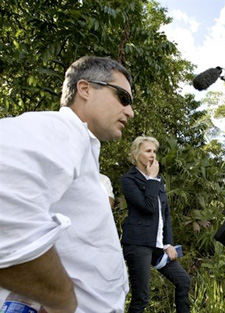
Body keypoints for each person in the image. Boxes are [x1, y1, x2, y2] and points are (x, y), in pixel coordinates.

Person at [0, 56, 134, 312]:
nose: (130, 111)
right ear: (85, 89)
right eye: (123, 98)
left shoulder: (82, 150)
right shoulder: (66, 128)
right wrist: (62, 300)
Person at [121, 136, 190, 313]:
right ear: (137, 154)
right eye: (148, 151)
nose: (153, 155)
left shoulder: (158, 181)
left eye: (154, 151)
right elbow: (149, 208)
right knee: (141, 298)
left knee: (183, 280)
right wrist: (151, 179)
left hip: (158, 245)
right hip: (138, 244)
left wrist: (168, 243)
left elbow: (165, 215)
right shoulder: (129, 180)